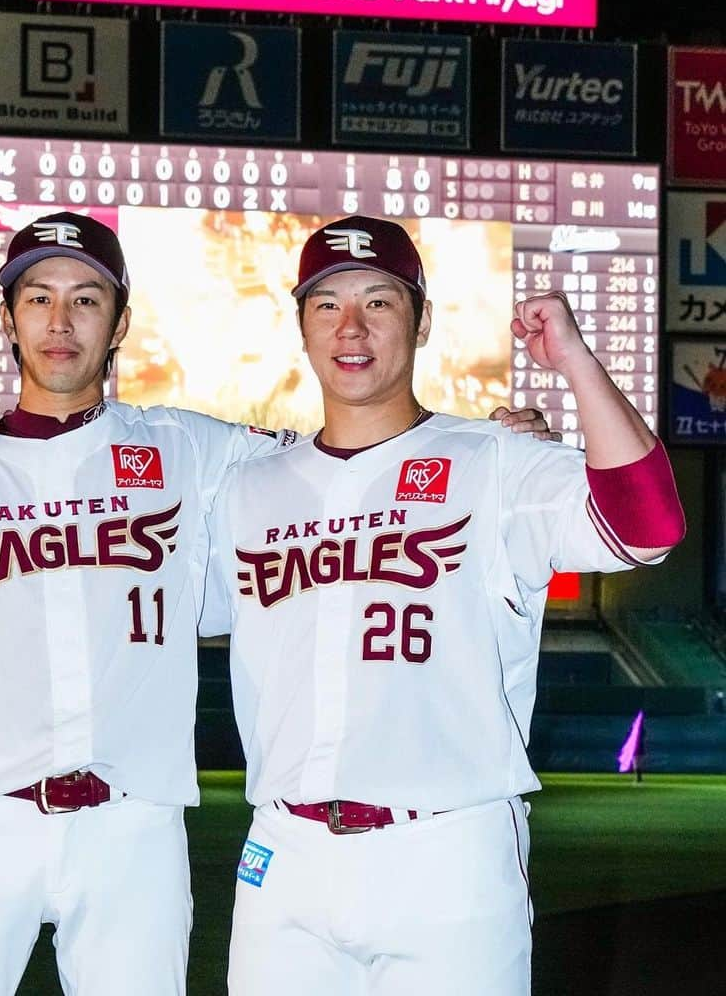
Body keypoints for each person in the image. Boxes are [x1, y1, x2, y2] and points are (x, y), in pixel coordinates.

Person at [0, 212, 554, 996]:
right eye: (38, 298)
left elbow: (346, 465)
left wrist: (493, 448)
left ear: (120, 324)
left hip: (135, 827)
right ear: (8, 319)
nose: (62, 320)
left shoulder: (189, 450)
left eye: (87, 300)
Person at [202, 215, 686, 996]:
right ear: (300, 326)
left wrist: (573, 362)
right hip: (283, 857)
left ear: (422, 320)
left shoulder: (493, 460)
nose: (350, 327)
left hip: (445, 853)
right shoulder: (250, 487)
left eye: (379, 302)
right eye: (326, 305)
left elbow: (649, 527)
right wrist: (5, 447)